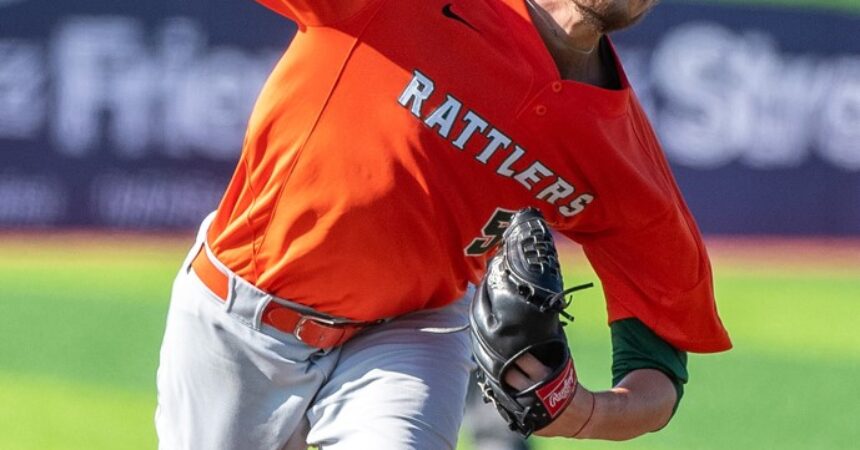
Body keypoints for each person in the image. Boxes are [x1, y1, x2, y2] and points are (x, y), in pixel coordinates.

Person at [155, 0, 732, 449]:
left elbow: (658, 370)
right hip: (238, 315)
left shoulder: (620, 157)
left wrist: (582, 411)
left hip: (410, 331)